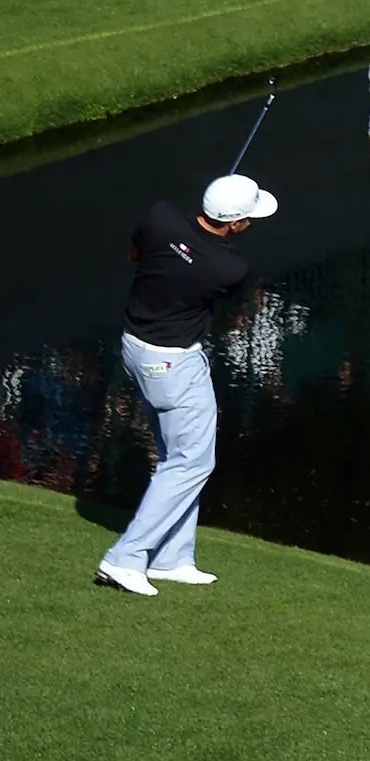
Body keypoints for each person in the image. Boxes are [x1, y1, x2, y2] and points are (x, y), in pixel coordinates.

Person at [95, 172, 279, 596]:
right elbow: (227, 302)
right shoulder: (229, 266)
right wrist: (205, 247)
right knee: (191, 463)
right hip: (174, 365)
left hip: (135, 347)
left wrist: (185, 246)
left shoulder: (162, 217)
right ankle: (126, 557)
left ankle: (172, 557)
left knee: (175, 456)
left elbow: (136, 252)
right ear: (233, 223)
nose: (251, 223)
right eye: (247, 218)